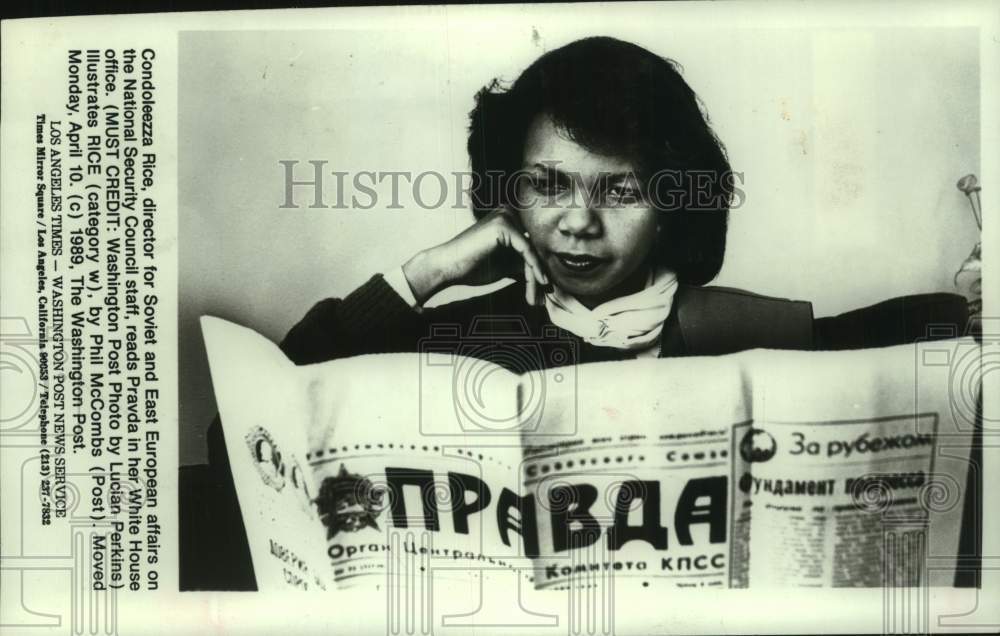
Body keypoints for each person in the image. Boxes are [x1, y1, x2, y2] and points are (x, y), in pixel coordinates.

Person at [181, 36, 971, 590]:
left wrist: (977, 305)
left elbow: (918, 340)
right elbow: (249, 442)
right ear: (508, 195)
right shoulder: (457, 333)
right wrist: (426, 273)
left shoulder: (737, 326)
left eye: (619, 190)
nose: (579, 223)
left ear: (670, 207)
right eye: (547, 185)